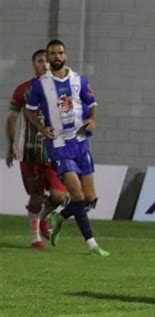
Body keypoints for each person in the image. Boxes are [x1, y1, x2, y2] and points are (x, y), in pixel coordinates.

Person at [25, 39, 110, 256]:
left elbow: (92, 104)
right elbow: (30, 110)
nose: (56, 57)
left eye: (59, 53)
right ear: (48, 57)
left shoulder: (79, 80)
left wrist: (92, 120)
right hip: (59, 146)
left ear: (66, 55)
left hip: (81, 143)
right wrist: (42, 130)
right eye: (52, 54)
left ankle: (59, 217)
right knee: (76, 193)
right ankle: (92, 244)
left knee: (90, 197)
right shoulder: (39, 85)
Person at [5, 49, 67, 249]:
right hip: (31, 151)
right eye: (40, 61)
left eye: (47, 61)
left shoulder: (61, 89)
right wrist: (11, 146)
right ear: (34, 65)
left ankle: (43, 218)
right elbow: (12, 117)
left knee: (58, 196)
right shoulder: (23, 89)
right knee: (36, 196)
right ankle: (35, 238)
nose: (45, 64)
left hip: (54, 151)